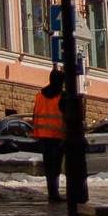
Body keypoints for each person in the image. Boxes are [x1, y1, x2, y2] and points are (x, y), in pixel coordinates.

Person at [31, 69, 67, 205]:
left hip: (43, 137)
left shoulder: (39, 96)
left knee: (48, 167)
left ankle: (52, 193)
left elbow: (35, 115)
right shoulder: (62, 96)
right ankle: (54, 193)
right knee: (55, 167)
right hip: (57, 137)